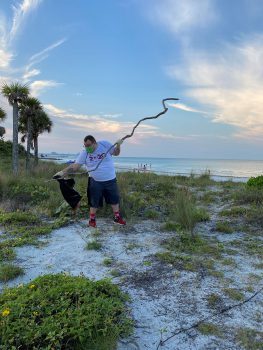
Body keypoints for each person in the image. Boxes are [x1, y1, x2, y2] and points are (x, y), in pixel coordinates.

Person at [53, 135, 126, 228]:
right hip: (95, 180)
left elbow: (116, 153)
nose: (87, 148)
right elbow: (75, 166)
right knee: (93, 201)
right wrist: (62, 172)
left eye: (88, 145)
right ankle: (92, 220)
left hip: (110, 179)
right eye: (85, 146)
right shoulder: (85, 152)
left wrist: (118, 145)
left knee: (114, 199)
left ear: (94, 143)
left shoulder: (104, 144)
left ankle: (117, 217)